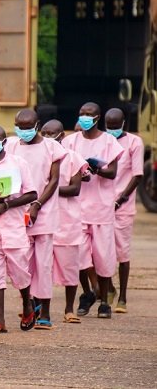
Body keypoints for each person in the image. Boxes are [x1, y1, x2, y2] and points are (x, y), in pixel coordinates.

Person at [62, 102, 123, 319]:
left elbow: (112, 172)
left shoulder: (109, 141)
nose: (84, 117)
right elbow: (66, 169)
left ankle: (104, 301)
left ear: (97, 118)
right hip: (77, 209)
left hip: (101, 209)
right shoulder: (70, 141)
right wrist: (80, 174)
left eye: (89, 114)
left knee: (103, 258)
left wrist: (95, 169)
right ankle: (88, 292)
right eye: (82, 113)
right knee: (79, 256)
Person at [6, 109, 66, 330]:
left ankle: (45, 312)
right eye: (19, 127)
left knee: (44, 264)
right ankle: (30, 303)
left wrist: (37, 204)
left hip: (44, 212)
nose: (23, 131)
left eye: (27, 127)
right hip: (17, 212)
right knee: (23, 263)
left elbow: (54, 180)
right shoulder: (11, 145)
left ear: (37, 125)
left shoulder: (52, 147)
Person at [0, 125, 37, 333]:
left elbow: (32, 194)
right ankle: (0, 320)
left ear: (5, 141)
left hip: (13, 226)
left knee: (20, 272)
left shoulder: (18, 163)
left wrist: (7, 204)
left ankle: (27, 303)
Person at [41, 119, 87, 324]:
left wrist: (49, 189)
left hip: (67, 221)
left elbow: (75, 188)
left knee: (70, 267)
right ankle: (39, 308)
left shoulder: (73, 158)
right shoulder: (38, 156)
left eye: (52, 133)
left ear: (62, 136)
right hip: (43, 219)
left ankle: (69, 308)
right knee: (41, 267)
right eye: (44, 133)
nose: (47, 137)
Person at [105, 108, 144, 313]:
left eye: (115, 126)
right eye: (108, 126)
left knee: (122, 252)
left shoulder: (134, 142)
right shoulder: (103, 141)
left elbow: (137, 175)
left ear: (124, 124)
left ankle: (123, 298)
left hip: (123, 206)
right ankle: (110, 288)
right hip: (102, 205)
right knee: (101, 252)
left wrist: (121, 200)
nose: (111, 130)